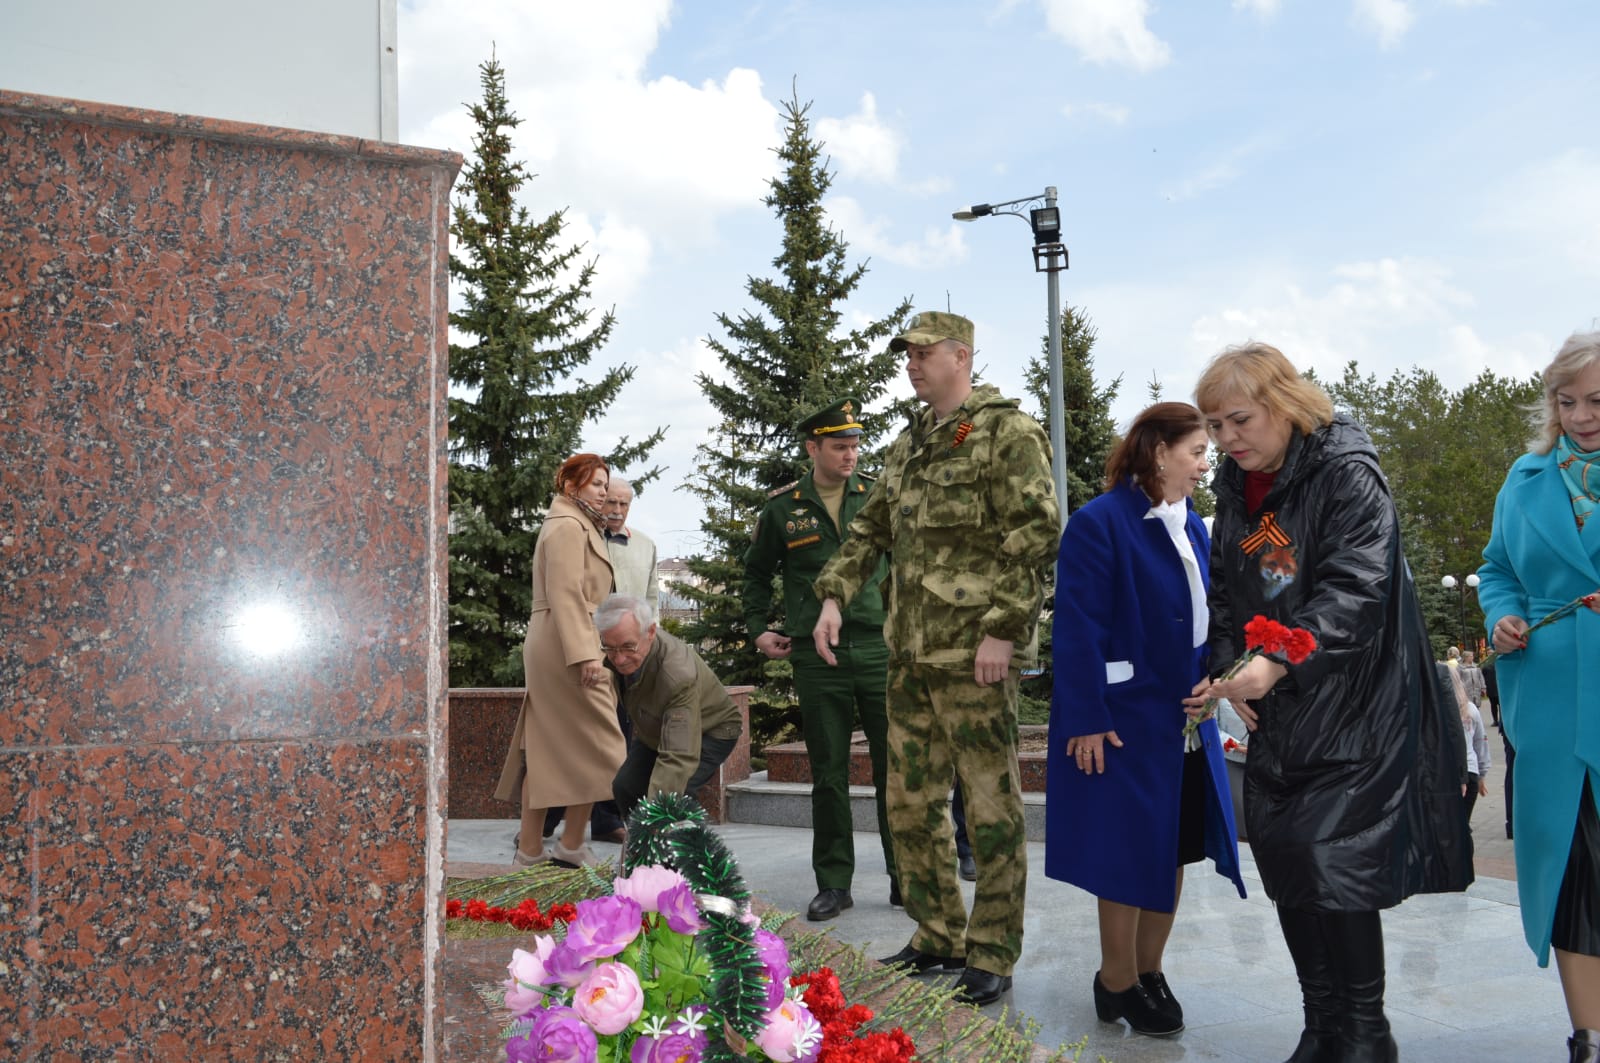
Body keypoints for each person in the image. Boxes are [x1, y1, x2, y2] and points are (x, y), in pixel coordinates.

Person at [1185, 341, 1471, 1063]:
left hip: (1358, 703)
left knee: (1329, 861)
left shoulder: (1345, 471)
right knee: (1286, 858)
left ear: (1283, 403)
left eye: (1239, 419)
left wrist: (1276, 659)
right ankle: (1323, 1024)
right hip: (1280, 707)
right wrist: (1230, 667)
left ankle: (1367, 1032)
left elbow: (1356, 588)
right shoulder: (1236, 486)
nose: (1226, 438)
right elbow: (1227, 589)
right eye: (1214, 425)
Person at [812, 310, 1059, 1008]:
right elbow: (871, 529)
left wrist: (1004, 629)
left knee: (989, 805)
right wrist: (833, 594)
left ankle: (990, 950)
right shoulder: (909, 444)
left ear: (961, 355)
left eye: (923, 353)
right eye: (907, 354)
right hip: (912, 653)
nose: (912, 364)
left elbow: (1037, 531)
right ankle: (938, 933)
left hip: (975, 654)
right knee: (909, 801)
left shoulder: (1005, 432)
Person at [1046, 402, 1246, 1039]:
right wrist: (1084, 717)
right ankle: (1117, 980)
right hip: (1124, 720)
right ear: (1160, 452)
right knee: (1127, 852)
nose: (1204, 463)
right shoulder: (1099, 522)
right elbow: (1078, 629)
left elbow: (1208, 616)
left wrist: (1217, 681)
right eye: (1197, 451)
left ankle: (1151, 972)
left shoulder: (1193, 525)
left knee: (1175, 846)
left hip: (1186, 717)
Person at [1475, 330, 1600, 1063]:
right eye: (1569, 400)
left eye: (1597, 401)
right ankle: (1587, 1035)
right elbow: (1496, 569)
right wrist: (1503, 616)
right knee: (1571, 872)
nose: (1583, 415)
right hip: (1549, 705)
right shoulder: (1524, 478)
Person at [743, 397, 897, 922]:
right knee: (828, 772)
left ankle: (906, 877)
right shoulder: (784, 508)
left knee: (894, 769)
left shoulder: (876, 497)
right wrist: (758, 627)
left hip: (880, 648)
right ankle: (834, 882)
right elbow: (755, 573)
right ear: (813, 448)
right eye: (839, 446)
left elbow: (902, 564)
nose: (851, 454)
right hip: (817, 656)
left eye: (855, 444)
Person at [493, 453, 624, 868]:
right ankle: (557, 845)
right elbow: (566, 595)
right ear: (571, 486)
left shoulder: (577, 523)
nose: (604, 490)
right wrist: (586, 654)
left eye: (606, 483)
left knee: (562, 748)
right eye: (596, 483)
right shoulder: (568, 527)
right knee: (602, 744)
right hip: (568, 645)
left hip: (565, 640)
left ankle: (544, 848)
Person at [596, 594, 744, 817]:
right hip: (656, 729)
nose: (619, 659)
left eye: (628, 647)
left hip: (712, 729)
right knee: (626, 787)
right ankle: (643, 848)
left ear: (651, 632)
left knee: (676, 795)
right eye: (610, 648)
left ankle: (687, 849)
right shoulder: (629, 646)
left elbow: (677, 756)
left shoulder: (676, 675)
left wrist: (655, 816)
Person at [1442, 664, 1491, 824]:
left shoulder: (1434, 709)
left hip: (1445, 772)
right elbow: (1481, 743)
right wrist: (1481, 774)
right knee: (1462, 825)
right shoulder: (1470, 709)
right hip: (1470, 770)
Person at [604, 477, 658, 610]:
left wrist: (651, 628)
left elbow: (652, 598)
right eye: (611, 502)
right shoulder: (583, 538)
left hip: (632, 629)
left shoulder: (646, 545)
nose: (617, 511)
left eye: (623, 504)